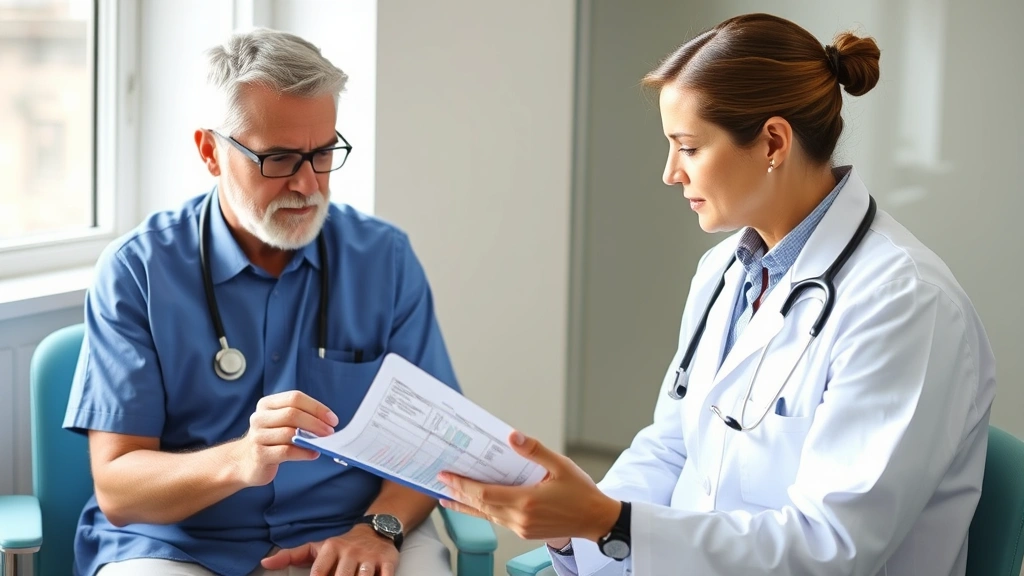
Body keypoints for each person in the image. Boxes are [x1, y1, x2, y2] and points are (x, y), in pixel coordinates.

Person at [437, 13, 996, 576]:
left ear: (773, 142)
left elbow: (830, 548)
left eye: (688, 147)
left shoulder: (905, 304)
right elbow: (671, 447)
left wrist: (611, 523)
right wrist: (576, 527)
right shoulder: (725, 270)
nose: (670, 173)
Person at [64, 28, 457, 576]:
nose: (308, 184)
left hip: (351, 528)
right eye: (278, 158)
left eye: (323, 153)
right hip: (180, 544)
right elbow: (119, 489)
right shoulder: (138, 271)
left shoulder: (384, 259)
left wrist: (377, 530)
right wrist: (240, 459)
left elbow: (432, 444)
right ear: (211, 152)